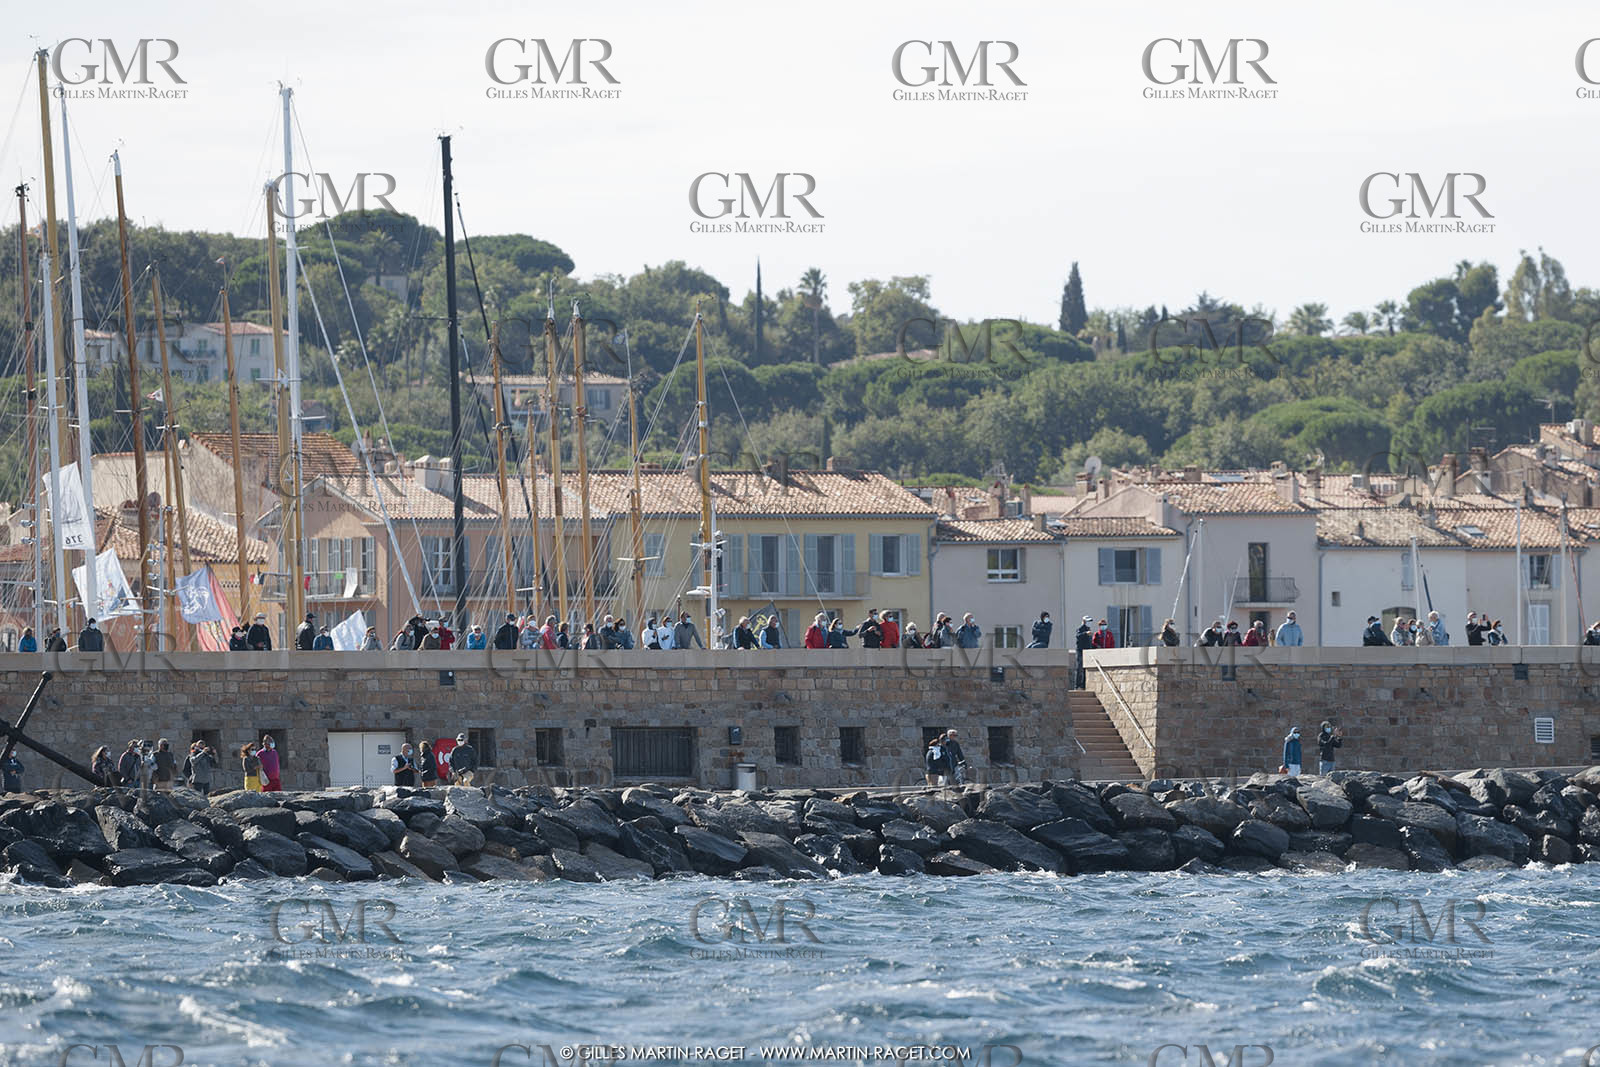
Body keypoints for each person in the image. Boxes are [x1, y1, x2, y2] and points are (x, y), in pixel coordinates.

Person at [1075, 615, 1093, 688]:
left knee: (1085, 670)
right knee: (1079, 668)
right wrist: (1085, 633)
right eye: (1088, 621)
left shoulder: (1089, 629)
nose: (1089, 623)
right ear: (1084, 621)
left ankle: (1084, 685)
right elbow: (1078, 636)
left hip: (1087, 651)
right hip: (1080, 651)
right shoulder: (1081, 628)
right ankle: (1077, 685)